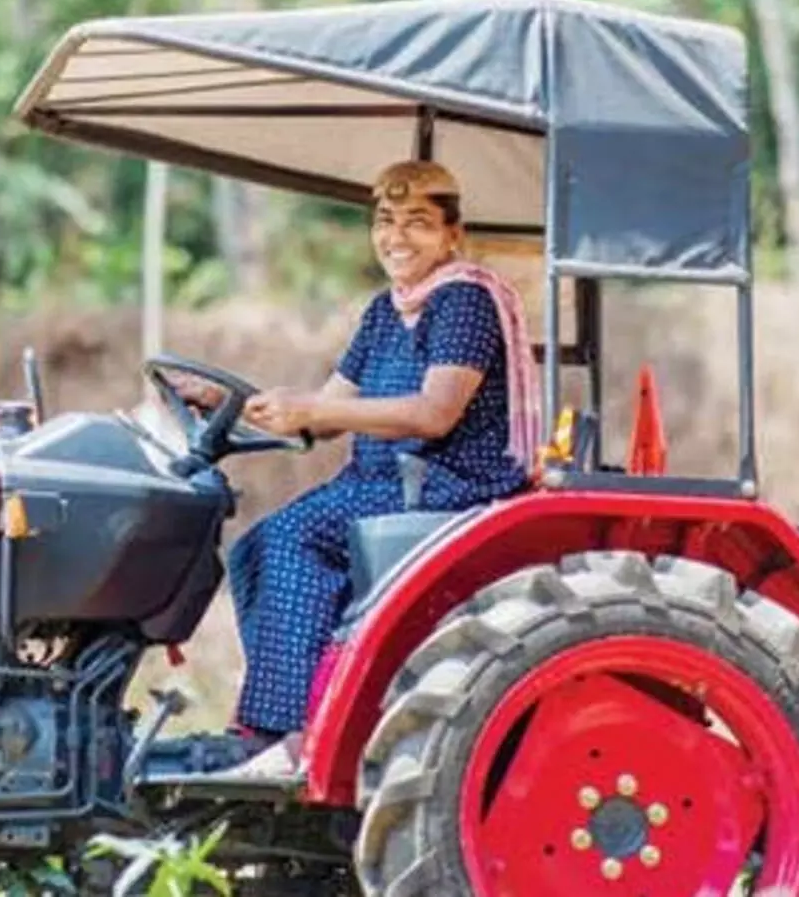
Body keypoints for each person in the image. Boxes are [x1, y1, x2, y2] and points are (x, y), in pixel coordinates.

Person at [174, 160, 542, 780]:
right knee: (255, 547)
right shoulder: (384, 311)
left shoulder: (464, 300)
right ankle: (271, 725)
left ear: (452, 235)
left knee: (291, 538)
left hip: (444, 487)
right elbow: (325, 413)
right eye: (386, 221)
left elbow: (434, 413)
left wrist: (313, 408)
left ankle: (296, 741)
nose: (397, 237)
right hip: (378, 484)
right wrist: (235, 403)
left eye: (418, 223)